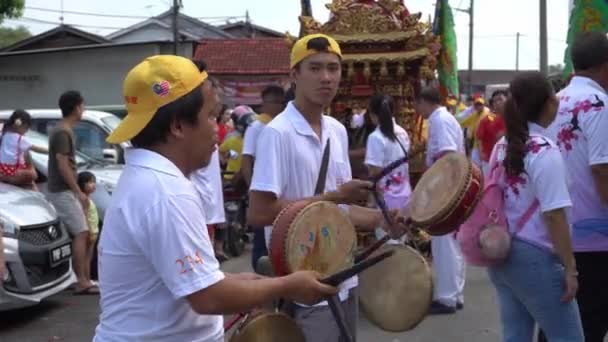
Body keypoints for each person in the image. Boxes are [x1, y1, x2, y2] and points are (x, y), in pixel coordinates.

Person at [94, 55, 337, 342]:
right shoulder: (166, 192)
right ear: (177, 126)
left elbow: (203, 280)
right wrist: (286, 286)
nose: (216, 128)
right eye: (210, 116)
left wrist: (265, 284)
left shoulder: (148, 179)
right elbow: (208, 297)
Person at [248, 33, 408, 342]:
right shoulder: (277, 134)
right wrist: (334, 197)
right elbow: (259, 213)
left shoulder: (337, 131)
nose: (326, 78)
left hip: (343, 276)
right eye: (315, 68)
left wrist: (381, 219)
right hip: (301, 284)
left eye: (333, 69)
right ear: (294, 74)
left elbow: (340, 211)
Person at [488, 71, 584, 342]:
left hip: (503, 252)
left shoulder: (501, 147)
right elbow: (554, 216)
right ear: (549, 103)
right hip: (537, 258)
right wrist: (570, 268)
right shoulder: (544, 151)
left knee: (515, 336)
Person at [541, 31, 608, 342]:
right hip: (595, 240)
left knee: (559, 324)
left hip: (554, 235)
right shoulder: (599, 104)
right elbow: (602, 169)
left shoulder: (554, 104)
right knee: (589, 326)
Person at [415, 87, 466, 314]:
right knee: (450, 243)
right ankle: (454, 294)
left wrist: (440, 191)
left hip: (446, 187)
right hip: (451, 186)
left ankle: (447, 297)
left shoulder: (439, 120)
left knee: (444, 242)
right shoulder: (444, 118)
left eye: (417, 104)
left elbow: (447, 155)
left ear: (425, 102)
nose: (417, 110)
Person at [47, 90, 97, 295]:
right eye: (82, 105)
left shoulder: (64, 130)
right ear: (76, 107)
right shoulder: (62, 131)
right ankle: (82, 281)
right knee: (82, 232)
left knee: (79, 233)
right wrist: (78, 192)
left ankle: (80, 278)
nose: (83, 109)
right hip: (62, 191)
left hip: (64, 190)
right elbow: (62, 163)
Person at [241, 85, 286, 271]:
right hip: (263, 189)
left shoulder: (284, 126)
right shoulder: (256, 127)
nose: (278, 106)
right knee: (262, 240)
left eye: (280, 102)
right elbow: (247, 159)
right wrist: (252, 188)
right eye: (274, 102)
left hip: (281, 189)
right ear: (265, 104)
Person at [364, 94, 412, 243]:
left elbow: (374, 174)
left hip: (386, 204)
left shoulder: (375, 137)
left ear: (372, 115)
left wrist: (371, 201)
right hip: (405, 198)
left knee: (388, 247)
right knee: (401, 246)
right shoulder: (403, 133)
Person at [0, 110, 48, 189]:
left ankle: (5, 177)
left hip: (2, 169)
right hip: (14, 170)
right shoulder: (20, 139)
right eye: (26, 128)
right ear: (20, 126)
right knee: (33, 175)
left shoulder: (4, 135)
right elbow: (36, 149)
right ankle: (8, 178)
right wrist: (50, 151)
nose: (26, 131)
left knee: (31, 181)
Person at [476, 90, 507, 174]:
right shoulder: (487, 120)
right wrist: (481, 153)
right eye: (495, 101)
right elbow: (479, 138)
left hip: (508, 162)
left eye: (500, 99)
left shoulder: (515, 119)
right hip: (489, 160)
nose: (497, 103)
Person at [77, 171, 99, 285]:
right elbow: (84, 215)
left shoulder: (88, 198)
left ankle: (88, 278)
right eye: (90, 182)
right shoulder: (84, 199)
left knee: (89, 257)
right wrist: (88, 230)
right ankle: (86, 278)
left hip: (93, 232)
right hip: (90, 232)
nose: (93, 185)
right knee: (86, 257)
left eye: (94, 182)